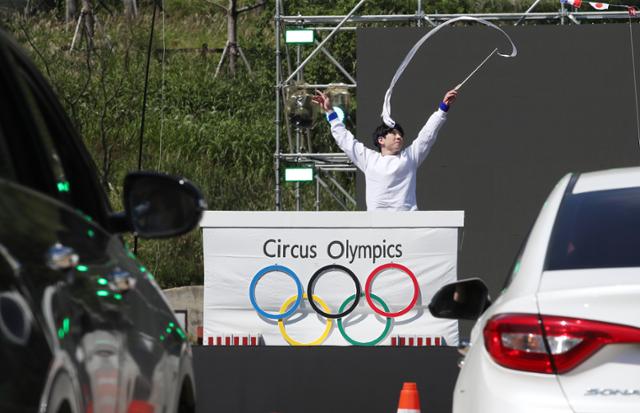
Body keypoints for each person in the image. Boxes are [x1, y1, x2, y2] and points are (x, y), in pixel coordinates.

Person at [312, 89, 458, 211]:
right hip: (378, 231)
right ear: (381, 140)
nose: (398, 137)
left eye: (400, 134)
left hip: (408, 227)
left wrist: (442, 110)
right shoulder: (369, 159)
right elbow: (345, 140)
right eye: (394, 133)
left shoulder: (409, 157)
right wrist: (330, 112)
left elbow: (427, 135)